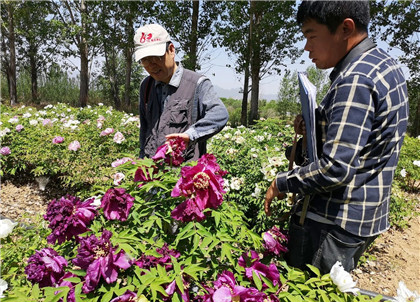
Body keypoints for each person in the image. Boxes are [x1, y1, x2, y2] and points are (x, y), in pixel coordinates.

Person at [264, 0, 409, 274]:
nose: (307, 48)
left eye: (311, 35)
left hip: (333, 223)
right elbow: (366, 141)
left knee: (309, 298)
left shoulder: (355, 79)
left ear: (345, 28)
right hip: (364, 215)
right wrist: (318, 125)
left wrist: (282, 182)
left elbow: (335, 169)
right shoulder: (384, 65)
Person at [133, 24, 229, 161]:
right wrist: (142, 162)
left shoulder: (197, 84)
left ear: (171, 50)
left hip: (184, 174)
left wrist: (191, 135)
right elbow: (145, 129)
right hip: (152, 172)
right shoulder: (146, 85)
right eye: (145, 60)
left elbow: (219, 114)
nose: (151, 65)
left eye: (155, 57)